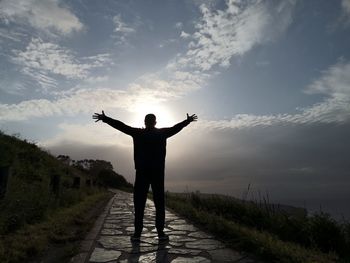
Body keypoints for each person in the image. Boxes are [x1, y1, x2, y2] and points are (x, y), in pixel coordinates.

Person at [92, 111, 198, 242]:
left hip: (142, 173)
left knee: (139, 203)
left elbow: (122, 126)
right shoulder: (161, 133)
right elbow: (176, 128)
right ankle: (160, 233)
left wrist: (106, 119)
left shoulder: (138, 133)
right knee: (159, 203)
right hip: (157, 173)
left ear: (145, 122)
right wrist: (186, 121)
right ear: (155, 122)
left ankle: (137, 234)